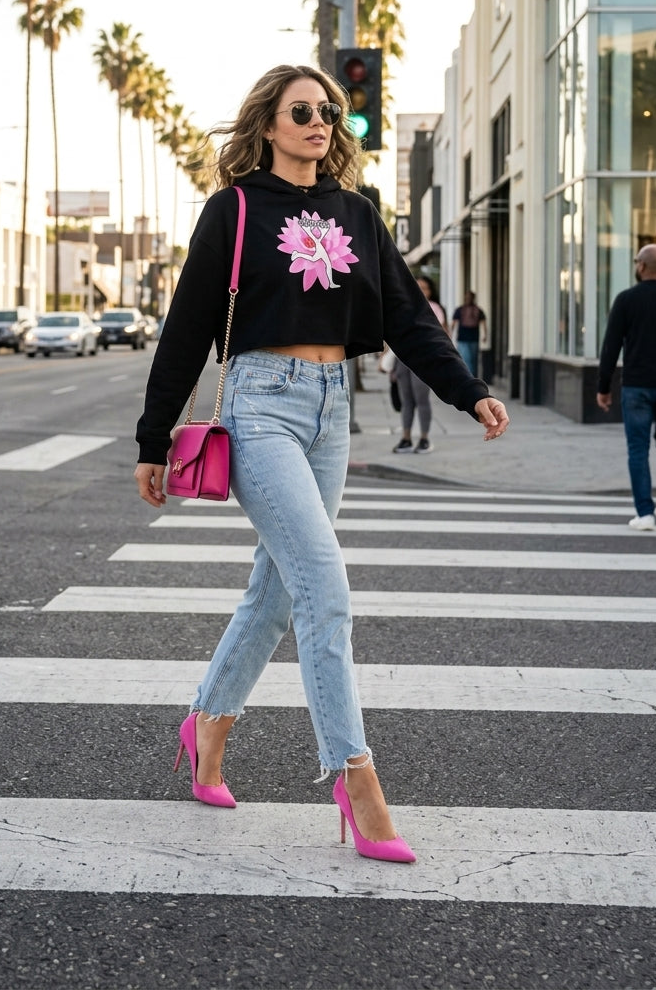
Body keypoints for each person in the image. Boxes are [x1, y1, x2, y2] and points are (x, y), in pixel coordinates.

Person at [134, 63, 509, 864]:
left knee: (276, 594)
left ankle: (205, 726)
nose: (320, 122)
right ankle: (356, 778)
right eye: (301, 110)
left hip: (333, 406)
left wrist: (466, 391)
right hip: (261, 406)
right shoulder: (233, 210)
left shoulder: (359, 215)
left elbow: (409, 319)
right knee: (325, 591)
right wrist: (152, 436)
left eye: (329, 112)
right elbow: (189, 327)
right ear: (268, 125)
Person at [596, 244, 656, 530]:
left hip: (636, 386)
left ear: (642, 267)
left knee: (637, 449)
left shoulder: (626, 300)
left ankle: (645, 514)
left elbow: (611, 346)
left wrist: (603, 387)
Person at [391, 276, 448, 454]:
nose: (421, 291)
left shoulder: (435, 309)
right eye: (418, 287)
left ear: (431, 291)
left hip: (424, 359)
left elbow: (442, 336)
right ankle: (406, 438)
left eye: (425, 288)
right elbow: (392, 334)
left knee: (421, 400)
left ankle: (424, 438)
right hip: (402, 359)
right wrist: (387, 361)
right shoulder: (401, 306)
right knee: (406, 401)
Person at [451, 290, 487, 375]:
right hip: (473, 338)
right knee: (473, 360)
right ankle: (472, 377)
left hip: (463, 338)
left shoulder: (460, 309)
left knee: (466, 359)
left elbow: (453, 323)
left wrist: (450, 334)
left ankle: (468, 377)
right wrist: (485, 335)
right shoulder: (478, 310)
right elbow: (483, 323)